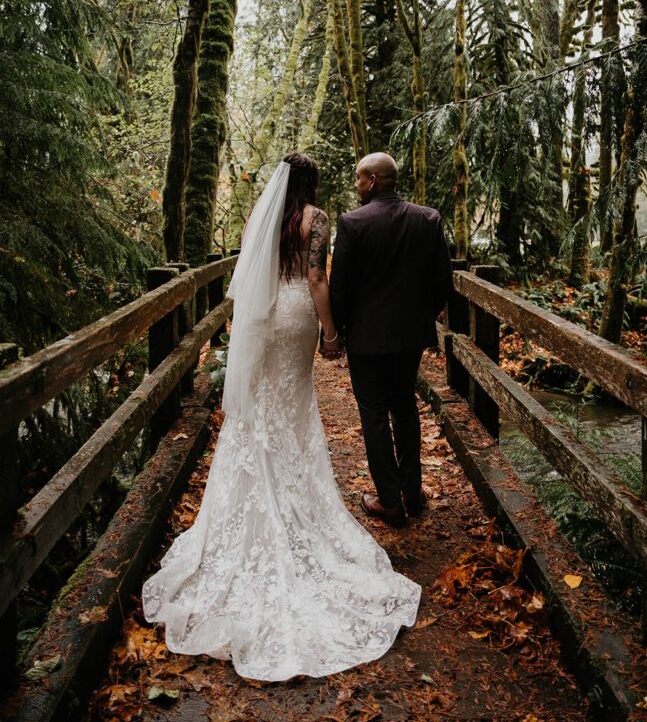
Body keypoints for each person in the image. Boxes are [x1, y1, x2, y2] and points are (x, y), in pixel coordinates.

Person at [142, 153, 421, 681]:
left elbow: (249, 273)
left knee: (259, 410)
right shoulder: (316, 220)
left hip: (263, 315)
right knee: (293, 405)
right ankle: (297, 503)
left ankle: (250, 499)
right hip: (295, 317)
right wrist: (331, 332)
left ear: (277, 184)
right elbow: (317, 280)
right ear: (310, 183)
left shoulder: (258, 218)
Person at [329, 152, 453, 528]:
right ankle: (412, 493)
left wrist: (338, 331)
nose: (355, 185)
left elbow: (341, 288)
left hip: (366, 338)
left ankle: (389, 500)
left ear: (372, 180)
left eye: (357, 179)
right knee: (404, 406)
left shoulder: (352, 223)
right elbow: (442, 282)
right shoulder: (427, 219)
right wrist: (421, 317)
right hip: (410, 336)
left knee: (373, 412)